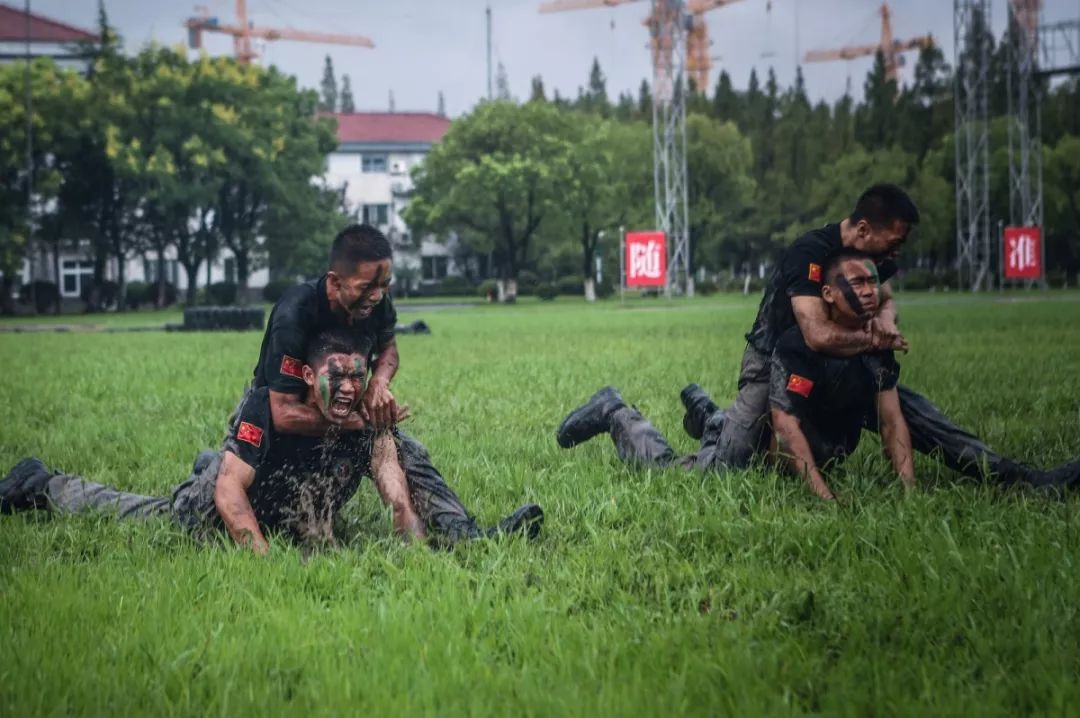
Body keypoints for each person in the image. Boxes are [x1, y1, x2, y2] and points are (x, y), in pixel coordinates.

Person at [555, 253, 1080, 497]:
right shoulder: (797, 345)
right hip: (779, 429)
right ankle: (618, 412)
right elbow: (785, 431)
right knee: (701, 475)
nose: (870, 291)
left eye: (873, 283)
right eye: (856, 283)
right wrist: (825, 497)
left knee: (917, 412)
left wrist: (908, 490)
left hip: (820, 424)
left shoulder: (871, 344)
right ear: (826, 297)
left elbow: (903, 421)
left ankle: (1021, 479)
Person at [0, 329, 543, 550]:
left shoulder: (361, 403)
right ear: (307, 376)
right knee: (152, 516)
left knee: (406, 445)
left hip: (301, 499)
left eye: (359, 374)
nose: (350, 386)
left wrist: (407, 518)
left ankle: (466, 534)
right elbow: (232, 498)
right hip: (230, 504)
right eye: (339, 375)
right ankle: (45, 484)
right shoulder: (271, 404)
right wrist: (266, 563)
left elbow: (387, 469)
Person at [235, 222, 537, 541]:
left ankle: (459, 531)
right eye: (366, 286)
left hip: (343, 417)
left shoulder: (376, 303)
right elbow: (282, 413)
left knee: (408, 451)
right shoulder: (295, 313)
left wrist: (379, 382)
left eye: (384, 285)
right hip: (277, 428)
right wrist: (360, 420)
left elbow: (389, 349)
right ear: (335, 282)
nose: (377, 295)